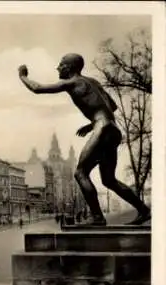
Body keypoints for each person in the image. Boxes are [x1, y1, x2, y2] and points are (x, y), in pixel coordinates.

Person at [18, 53, 151, 225]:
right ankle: (143, 210)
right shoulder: (93, 82)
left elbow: (37, 88)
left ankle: (97, 217)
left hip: (102, 127)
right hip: (113, 128)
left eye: (61, 64)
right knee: (109, 180)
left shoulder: (71, 82)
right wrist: (93, 124)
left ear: (70, 67)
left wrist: (23, 76)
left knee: (80, 173)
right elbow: (112, 106)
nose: (58, 68)